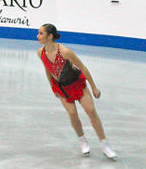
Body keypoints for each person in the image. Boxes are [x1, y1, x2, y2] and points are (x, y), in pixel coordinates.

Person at [37, 23, 117, 159]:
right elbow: (48, 69)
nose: (38, 36)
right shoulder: (41, 53)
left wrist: (93, 87)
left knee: (91, 111)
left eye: (41, 33)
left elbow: (83, 68)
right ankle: (83, 141)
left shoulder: (65, 52)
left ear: (50, 36)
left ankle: (105, 144)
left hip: (77, 84)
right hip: (62, 87)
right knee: (73, 114)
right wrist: (52, 87)